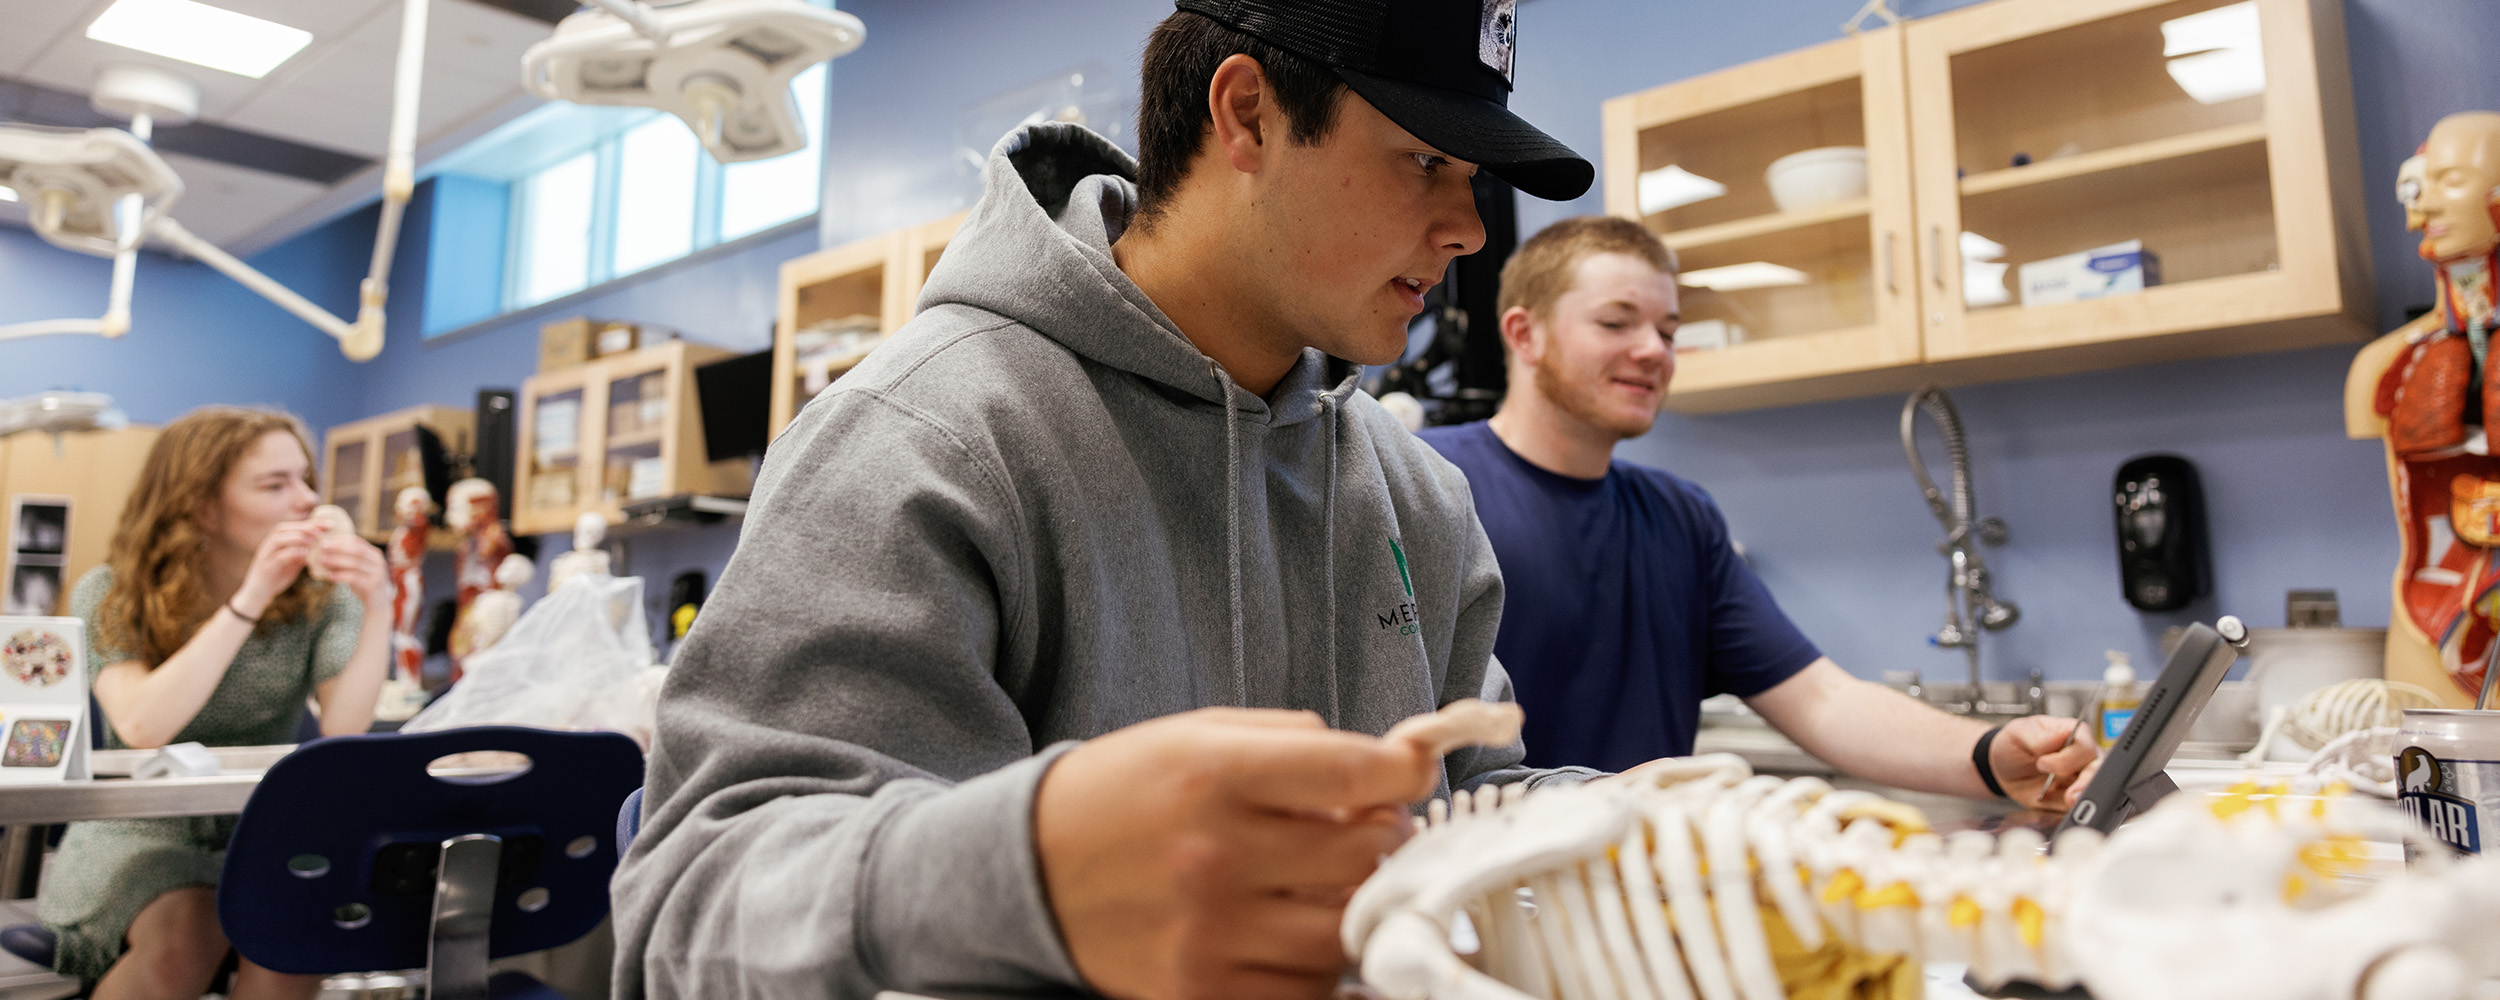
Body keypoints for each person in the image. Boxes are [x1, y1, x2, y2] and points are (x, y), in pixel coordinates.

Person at [613, 3, 1600, 999]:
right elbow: (692, 902)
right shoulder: (924, 435)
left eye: (1470, 179)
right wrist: (1029, 872)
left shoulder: (1415, 491)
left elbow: (1471, 799)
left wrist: (1654, 831)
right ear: (1248, 114)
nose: (1468, 227)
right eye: (1426, 161)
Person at [1419, 216, 2101, 806]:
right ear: (1525, 334)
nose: (1654, 350)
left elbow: (1821, 701)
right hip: (1485, 894)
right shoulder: (1427, 485)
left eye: (1667, 328)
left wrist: (1988, 754)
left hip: (1652, 892)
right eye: (1615, 322)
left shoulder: (1680, 516)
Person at [45, 406, 394, 999]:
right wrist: (252, 596)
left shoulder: (325, 598)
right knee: (188, 930)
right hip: (136, 831)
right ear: (202, 504)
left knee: (294, 936)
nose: (307, 499)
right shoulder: (110, 591)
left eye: (305, 479)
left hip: (261, 828)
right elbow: (141, 724)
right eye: (275, 484)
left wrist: (379, 599)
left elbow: (344, 729)